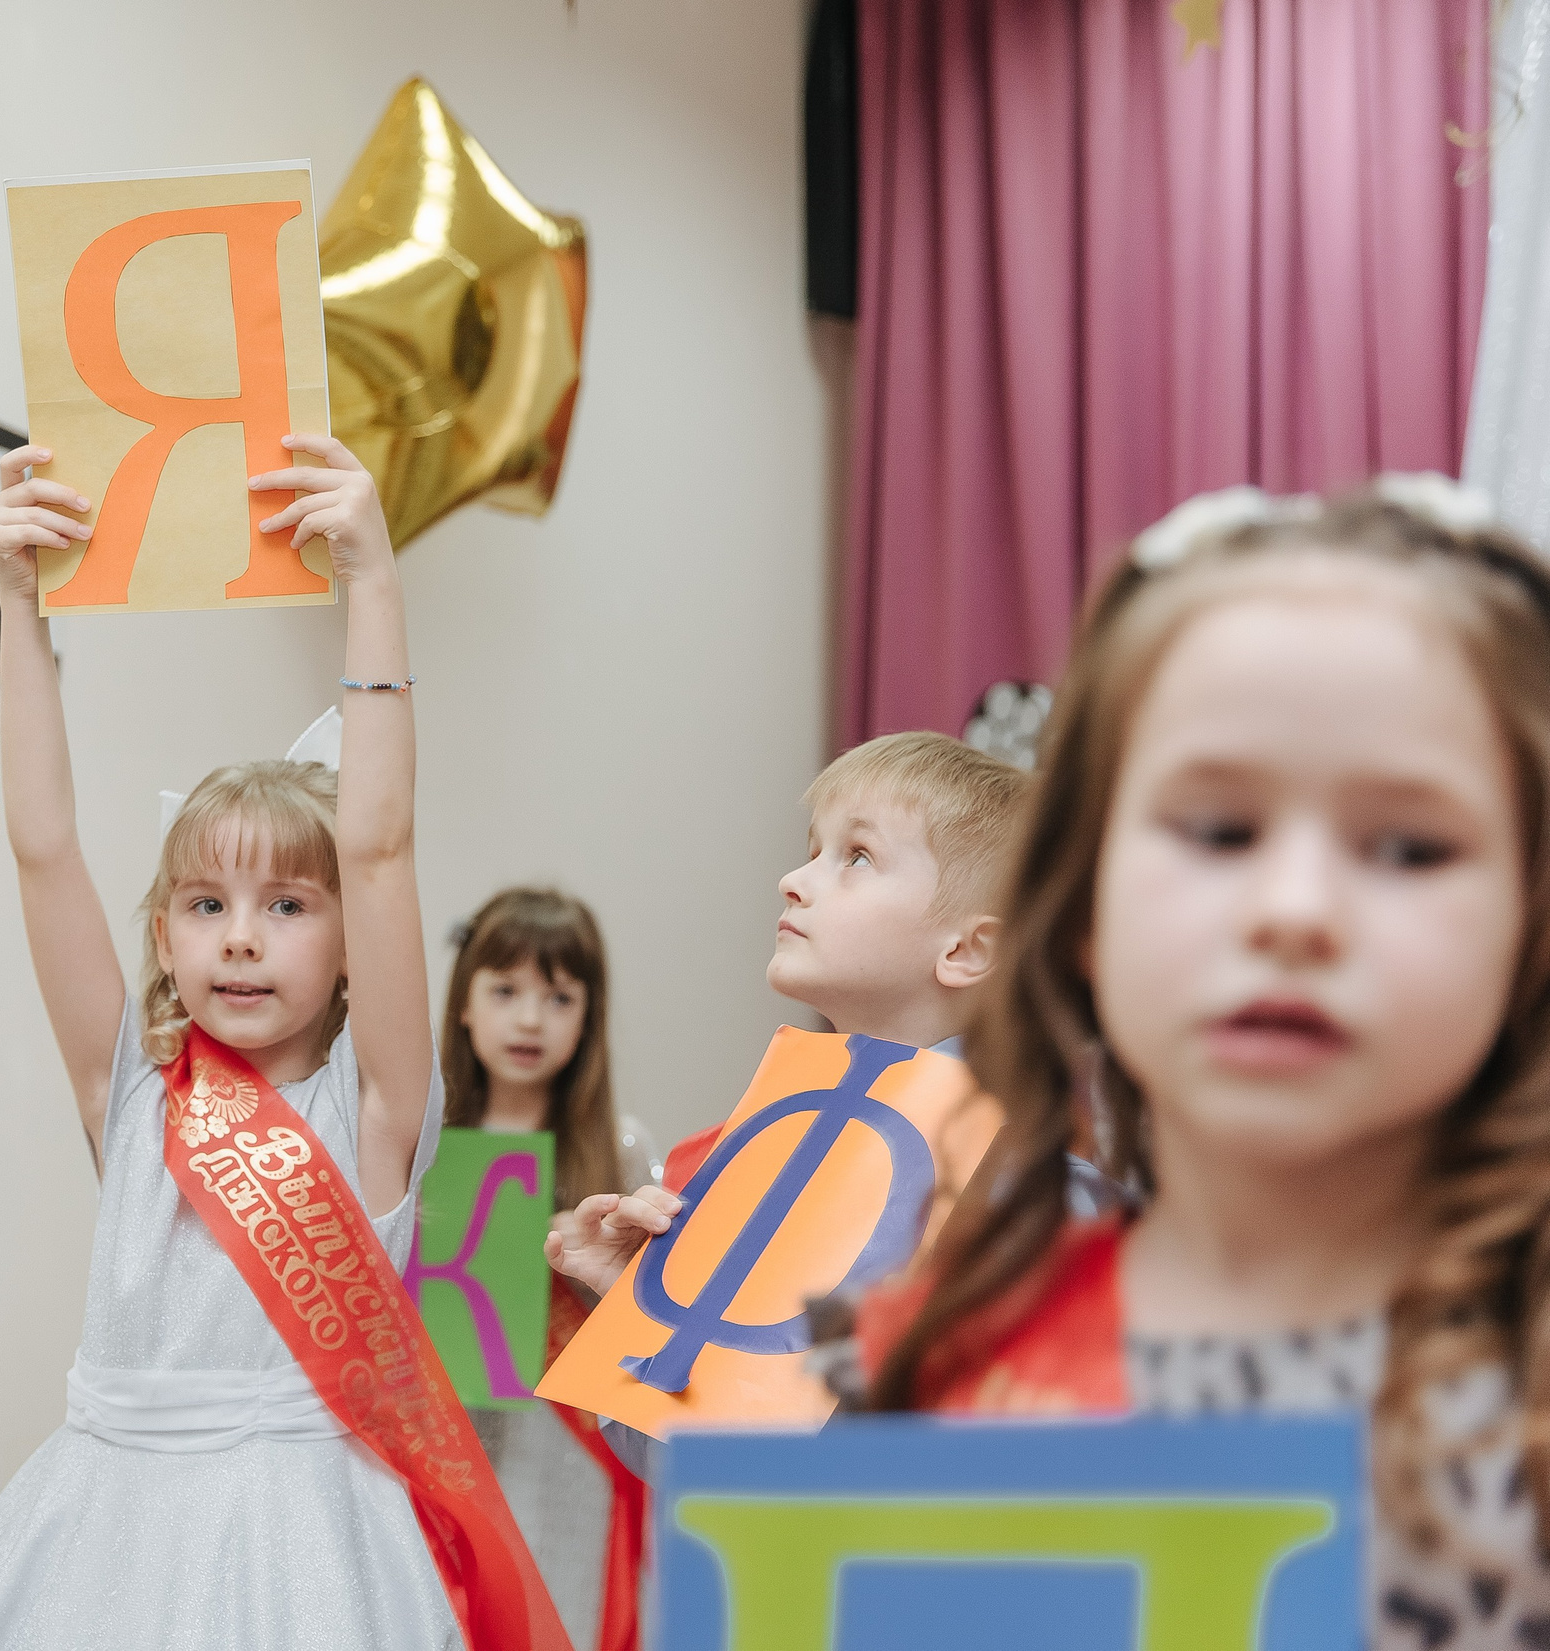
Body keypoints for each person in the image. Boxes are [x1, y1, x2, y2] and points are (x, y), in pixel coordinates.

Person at [610, 477, 1550, 1644]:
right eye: (1216, 828)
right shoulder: (943, 1344)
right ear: (1089, 912)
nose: (1294, 908)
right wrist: (662, 1327)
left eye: (1408, 845)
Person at [0, 437, 564, 1651]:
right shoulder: (131, 1100)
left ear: (349, 944)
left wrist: (372, 585)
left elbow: (376, 846)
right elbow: (42, 845)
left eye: (287, 906)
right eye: (206, 906)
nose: (243, 941)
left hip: (305, 1550)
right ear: (164, 938)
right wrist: (18, 605)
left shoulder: (373, 1115)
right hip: (97, 1540)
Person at [545, 732, 1032, 1477]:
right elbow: (696, 1468)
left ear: (966, 950)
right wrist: (632, 1302)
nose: (793, 880)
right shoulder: (764, 1145)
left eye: (857, 857)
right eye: (811, 850)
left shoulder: (1025, 1177)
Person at [441, 889, 642, 1651]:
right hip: (448, 1440)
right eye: (505, 991)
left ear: (588, 1017)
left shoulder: (619, 1151)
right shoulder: (416, 1145)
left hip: (562, 1449)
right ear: (464, 1003)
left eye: (558, 997)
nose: (530, 1019)